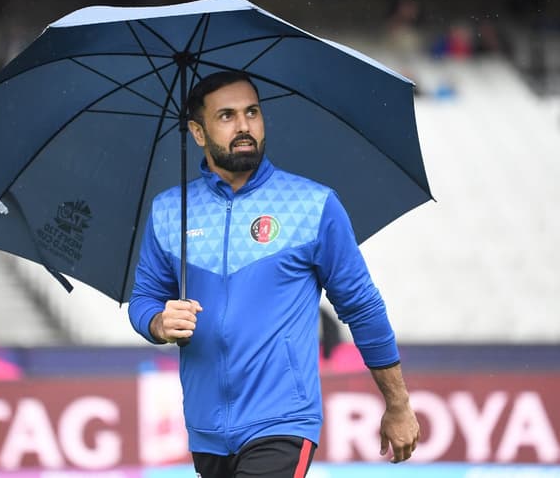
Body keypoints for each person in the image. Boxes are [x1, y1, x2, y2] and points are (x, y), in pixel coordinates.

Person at [128, 71, 420, 477]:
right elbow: (143, 299)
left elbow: (362, 306)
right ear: (197, 132)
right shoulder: (168, 210)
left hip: (283, 421)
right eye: (227, 116)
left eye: (252, 112)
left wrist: (398, 404)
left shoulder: (312, 205)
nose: (244, 126)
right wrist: (158, 322)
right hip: (205, 430)